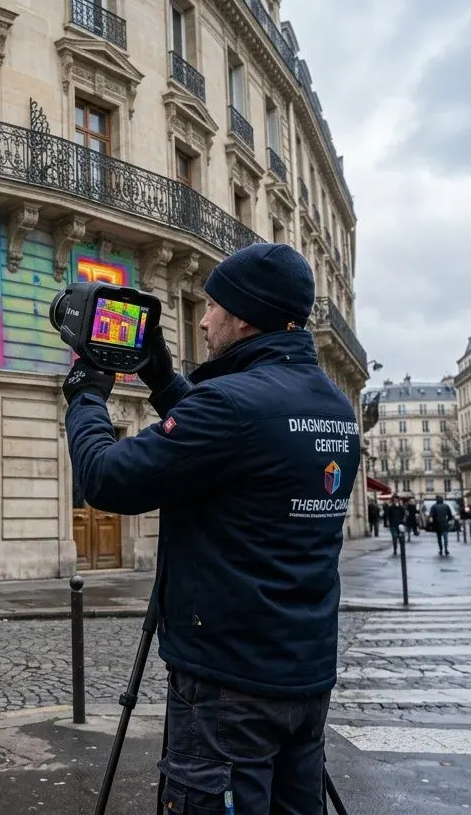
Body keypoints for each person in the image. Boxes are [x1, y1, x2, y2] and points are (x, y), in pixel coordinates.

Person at [61, 242, 361, 813]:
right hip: (303, 679)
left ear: (244, 316)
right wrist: (164, 381)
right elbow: (240, 452)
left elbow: (107, 479)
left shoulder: (230, 404)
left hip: (228, 685)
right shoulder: (332, 407)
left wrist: (85, 398)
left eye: (212, 305)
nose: (202, 318)